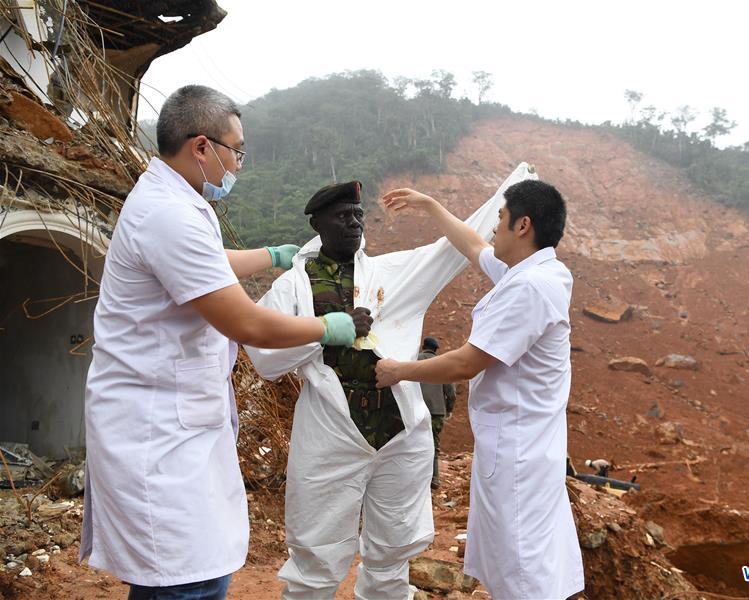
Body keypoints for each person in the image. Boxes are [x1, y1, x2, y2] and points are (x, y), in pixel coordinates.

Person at [80, 85, 359, 600]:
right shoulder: (169, 215)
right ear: (202, 147)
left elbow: (207, 262)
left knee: (192, 572)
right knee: (187, 580)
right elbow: (247, 324)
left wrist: (272, 255)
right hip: (156, 428)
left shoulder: (175, 199)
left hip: (177, 418)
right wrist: (328, 328)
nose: (239, 163)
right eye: (237, 150)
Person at [244, 164, 535, 600]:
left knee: (392, 556)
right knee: (315, 560)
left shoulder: (391, 273)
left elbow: (448, 252)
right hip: (330, 436)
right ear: (317, 224)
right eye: (342, 215)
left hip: (399, 435)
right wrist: (324, 330)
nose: (354, 222)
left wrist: (508, 193)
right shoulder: (293, 287)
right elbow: (263, 355)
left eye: (358, 214)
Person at [376, 179, 585, 599]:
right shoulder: (538, 271)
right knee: (521, 557)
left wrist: (398, 370)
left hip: (518, 451)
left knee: (523, 565)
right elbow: (472, 245)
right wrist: (431, 205)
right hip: (521, 444)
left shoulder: (529, 288)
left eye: (501, 219)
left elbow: (468, 361)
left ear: (523, 225)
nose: (494, 228)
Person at [417, 337, 456, 489]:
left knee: (412, 443)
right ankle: (434, 479)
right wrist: (449, 409)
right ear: (435, 349)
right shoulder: (442, 364)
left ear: (423, 346)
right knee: (433, 445)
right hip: (436, 412)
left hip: (415, 410)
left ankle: (415, 479)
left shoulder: (414, 360)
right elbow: (450, 392)